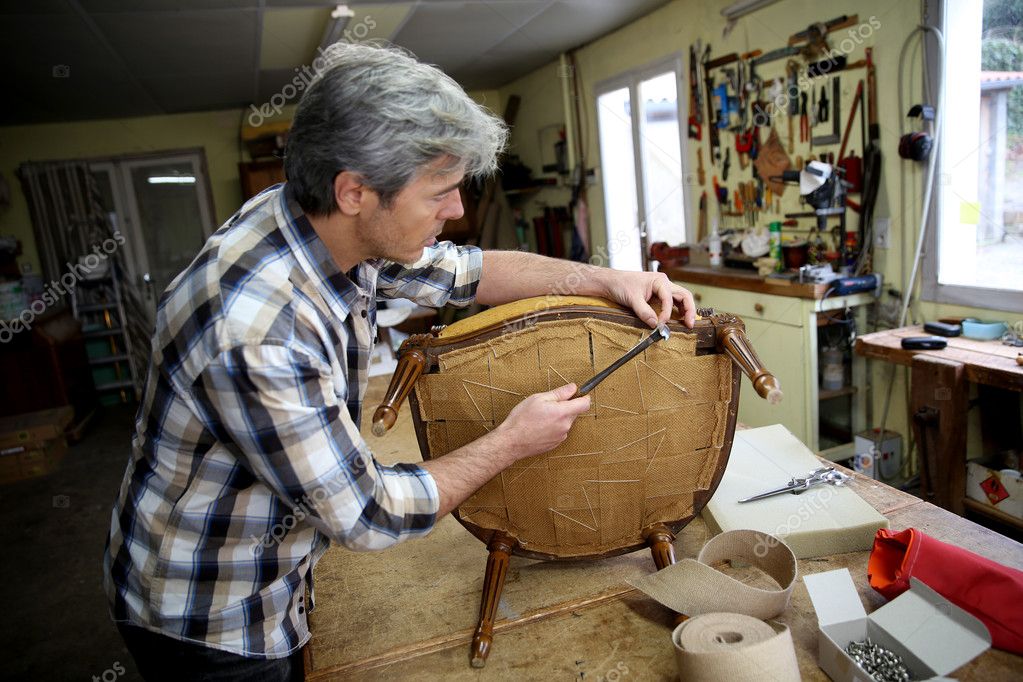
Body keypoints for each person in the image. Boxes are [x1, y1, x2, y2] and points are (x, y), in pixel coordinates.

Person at [104, 41, 695, 681]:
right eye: (439, 192)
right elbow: (369, 513)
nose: (458, 211)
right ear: (355, 191)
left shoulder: (321, 222)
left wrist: (610, 280)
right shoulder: (257, 333)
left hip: (277, 571)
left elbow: (468, 273)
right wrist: (511, 442)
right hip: (211, 617)